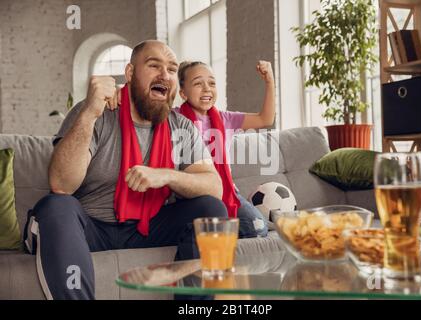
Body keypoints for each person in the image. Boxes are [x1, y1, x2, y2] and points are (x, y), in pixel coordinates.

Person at [28, 40, 228, 300]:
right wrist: (89, 113)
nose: (164, 75)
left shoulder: (181, 126)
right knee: (56, 206)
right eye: (154, 65)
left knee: (211, 210)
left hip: (148, 228)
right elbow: (61, 183)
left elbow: (215, 187)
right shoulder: (96, 113)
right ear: (130, 73)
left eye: (171, 69)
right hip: (92, 228)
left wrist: (165, 174)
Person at [174, 60, 276, 238]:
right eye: (198, 83)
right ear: (183, 93)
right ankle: (212, 230)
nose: (207, 88)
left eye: (212, 83)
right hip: (193, 194)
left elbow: (265, 119)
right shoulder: (174, 118)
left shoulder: (226, 118)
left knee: (257, 227)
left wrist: (269, 81)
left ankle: (215, 231)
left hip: (227, 191)